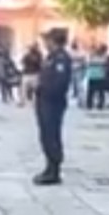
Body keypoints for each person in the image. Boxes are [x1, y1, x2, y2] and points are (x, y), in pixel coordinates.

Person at [33, 29, 72, 186]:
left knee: (52, 135)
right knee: (45, 135)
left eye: (47, 40)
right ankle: (49, 166)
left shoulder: (61, 58)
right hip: (44, 101)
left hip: (53, 102)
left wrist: (45, 90)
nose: (45, 43)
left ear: (54, 41)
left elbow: (60, 83)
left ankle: (54, 170)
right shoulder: (50, 57)